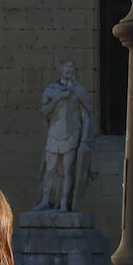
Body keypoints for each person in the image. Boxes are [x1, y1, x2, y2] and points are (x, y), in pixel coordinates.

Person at [31, 59, 94, 212]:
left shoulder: (79, 90)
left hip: (72, 133)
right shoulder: (51, 89)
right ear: (60, 69)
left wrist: (85, 140)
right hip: (54, 133)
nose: (68, 69)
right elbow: (44, 112)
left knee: (67, 169)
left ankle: (64, 202)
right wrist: (58, 99)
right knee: (50, 169)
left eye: (71, 67)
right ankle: (46, 200)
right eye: (66, 66)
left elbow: (86, 117)